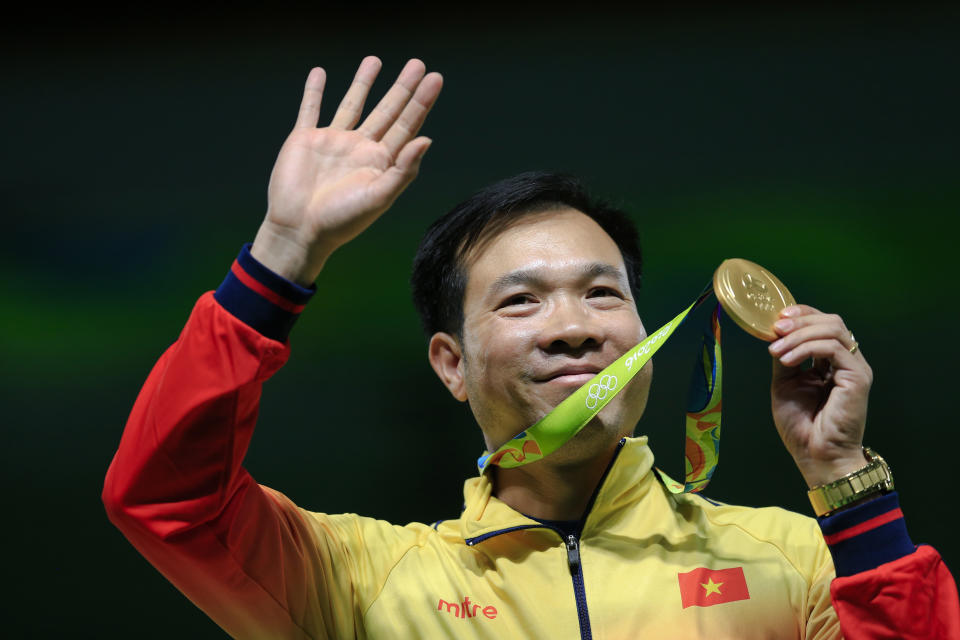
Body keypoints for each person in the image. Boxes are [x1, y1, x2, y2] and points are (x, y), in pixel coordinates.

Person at [103, 57, 959, 639]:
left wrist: (843, 480)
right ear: (451, 364)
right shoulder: (361, 582)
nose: (574, 324)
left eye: (602, 293)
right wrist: (282, 252)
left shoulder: (795, 559)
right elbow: (167, 500)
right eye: (520, 301)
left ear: (644, 336)